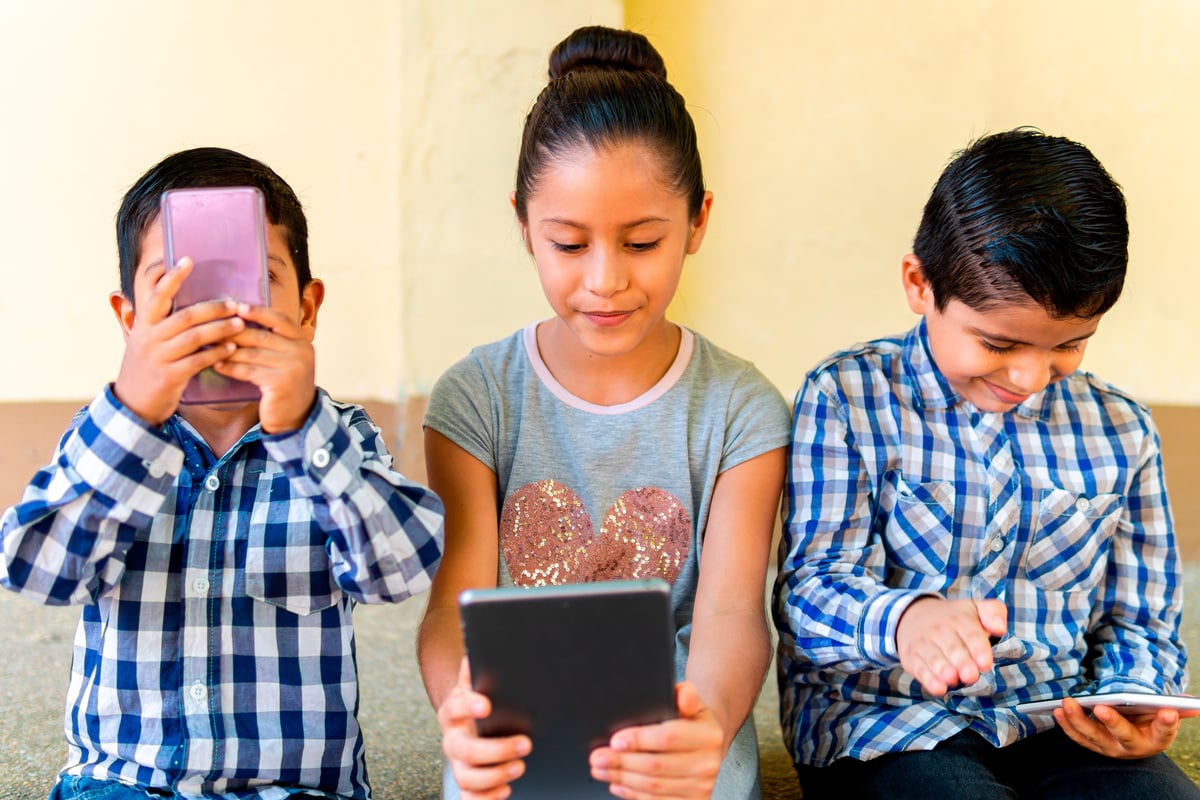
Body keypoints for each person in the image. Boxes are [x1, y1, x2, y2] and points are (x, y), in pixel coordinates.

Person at [415, 25, 791, 800]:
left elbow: (729, 611)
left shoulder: (742, 408)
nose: (606, 280)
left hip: (677, 720)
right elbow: (458, 597)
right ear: (524, 223)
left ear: (698, 222)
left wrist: (710, 726)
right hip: (515, 718)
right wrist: (460, 710)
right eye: (569, 243)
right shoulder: (475, 397)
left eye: (643, 241)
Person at [0, 147, 445, 800]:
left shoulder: (339, 439)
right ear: (130, 322)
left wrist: (301, 428)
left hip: (290, 790)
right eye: (178, 292)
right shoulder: (105, 442)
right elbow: (34, 571)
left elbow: (400, 568)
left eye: (251, 283)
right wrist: (132, 414)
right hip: (122, 785)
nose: (217, 318)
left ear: (306, 310)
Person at [773, 128, 1200, 799]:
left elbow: (1139, 621)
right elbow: (808, 592)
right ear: (920, 284)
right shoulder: (847, 397)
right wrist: (906, 620)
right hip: (889, 725)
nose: (1031, 375)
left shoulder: (1123, 431)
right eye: (998, 342)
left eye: (1069, 345)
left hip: (1056, 720)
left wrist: (1136, 698)